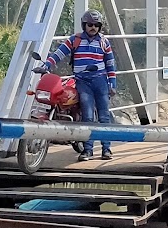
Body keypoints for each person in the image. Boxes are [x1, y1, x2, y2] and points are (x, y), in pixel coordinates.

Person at [39, 9, 117, 159]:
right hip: (82, 81)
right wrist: (46, 66)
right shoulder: (75, 40)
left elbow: (110, 64)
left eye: (96, 24)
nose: (93, 27)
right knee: (88, 116)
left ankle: (106, 149)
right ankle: (88, 150)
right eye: (90, 24)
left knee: (104, 116)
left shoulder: (103, 42)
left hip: (100, 81)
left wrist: (112, 84)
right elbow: (59, 53)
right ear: (84, 25)